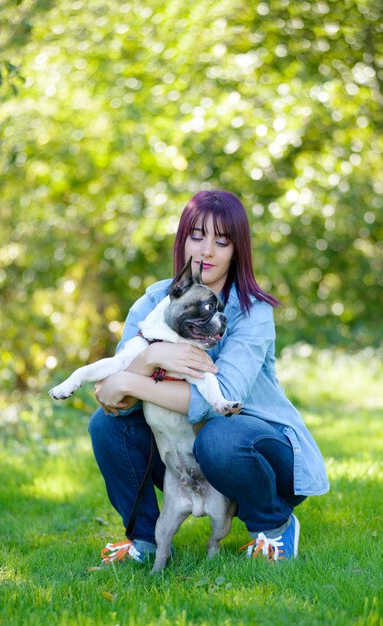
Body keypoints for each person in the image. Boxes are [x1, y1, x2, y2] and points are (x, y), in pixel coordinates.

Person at [89, 190, 329, 565]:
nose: (207, 251)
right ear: (182, 239)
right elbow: (112, 400)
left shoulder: (252, 311)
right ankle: (144, 540)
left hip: (257, 450)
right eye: (197, 236)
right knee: (106, 427)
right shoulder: (153, 302)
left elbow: (220, 402)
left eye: (222, 241)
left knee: (217, 436)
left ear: (237, 250)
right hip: (187, 452)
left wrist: (130, 381)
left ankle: (274, 528)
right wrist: (150, 355)